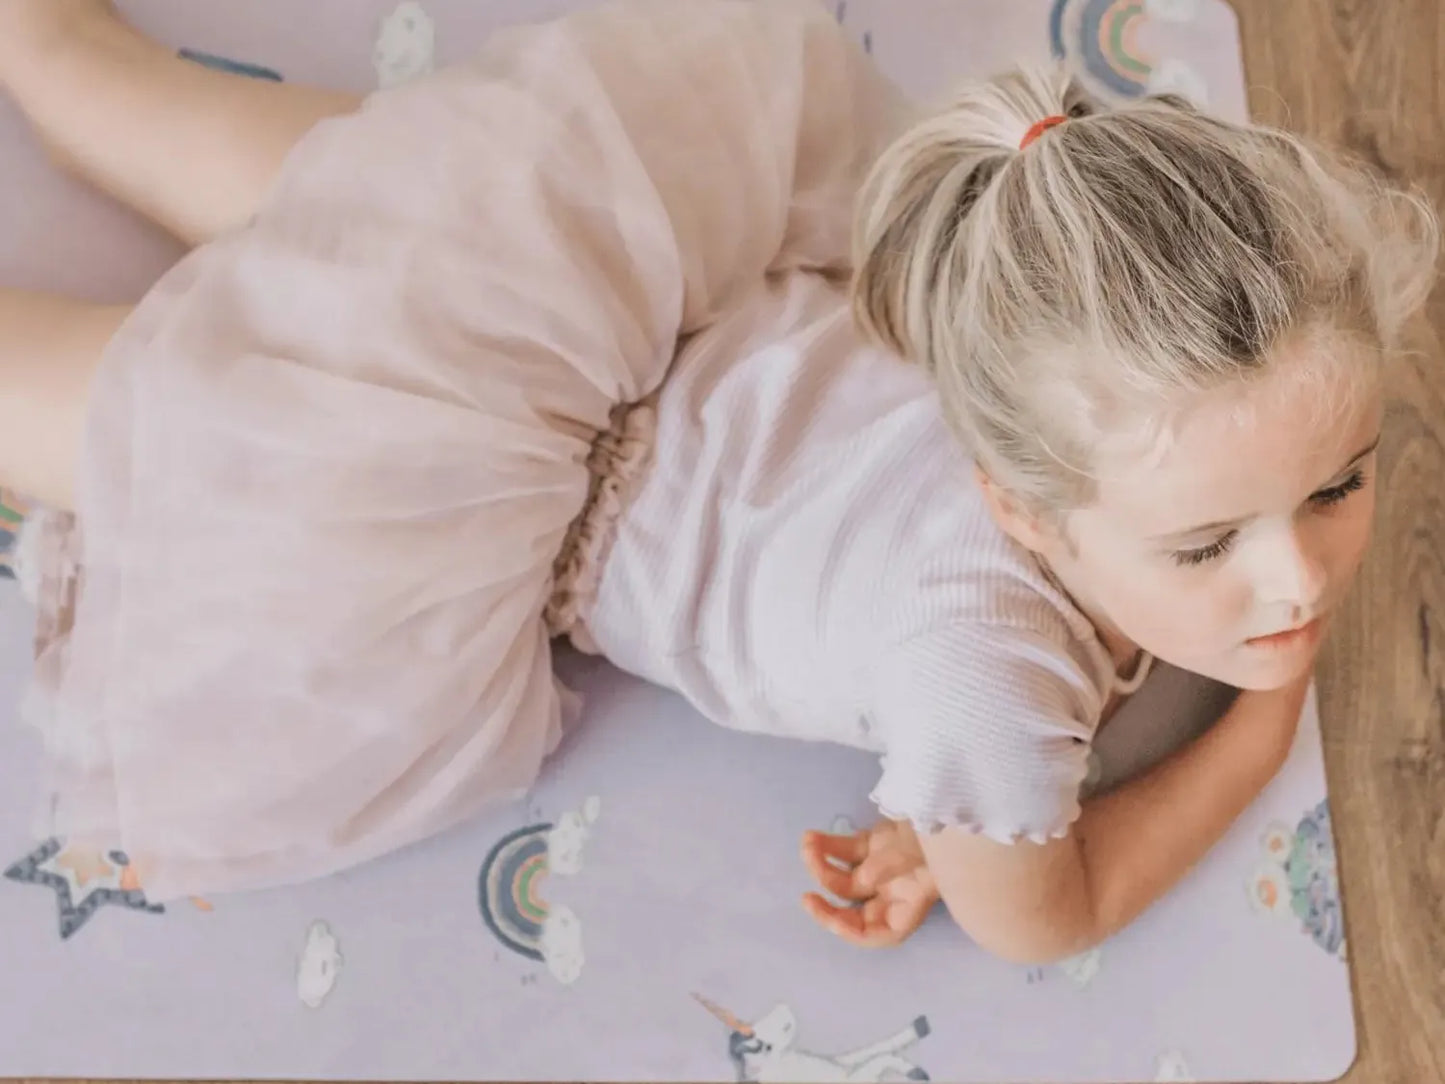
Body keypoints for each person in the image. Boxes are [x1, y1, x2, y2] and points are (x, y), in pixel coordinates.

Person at [0, 0, 1434, 964]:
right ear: (1021, 506)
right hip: (447, 488)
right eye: (1202, 550)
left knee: (218, 145)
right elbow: (1045, 923)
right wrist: (1261, 721)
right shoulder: (984, 676)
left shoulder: (1030, 304)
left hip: (570, 277)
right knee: (97, 383)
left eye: (1339, 482)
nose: (1299, 583)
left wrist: (956, 820)